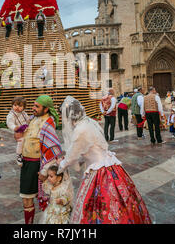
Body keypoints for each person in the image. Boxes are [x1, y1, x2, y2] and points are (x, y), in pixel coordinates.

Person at [58, 96, 152, 224]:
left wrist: (60, 165)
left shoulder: (80, 130)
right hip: (111, 165)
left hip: (99, 171)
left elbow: (72, 156)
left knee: (101, 205)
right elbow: (88, 148)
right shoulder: (89, 122)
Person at [19, 95, 62, 224]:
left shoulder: (48, 123)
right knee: (26, 199)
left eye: (37, 106)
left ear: (46, 108)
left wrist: (44, 171)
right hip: (26, 164)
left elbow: (52, 149)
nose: (33, 108)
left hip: (37, 165)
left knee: (45, 199)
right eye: (33, 105)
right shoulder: (33, 119)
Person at [6, 96, 31, 167]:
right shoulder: (11, 114)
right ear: (12, 105)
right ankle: (19, 155)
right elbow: (9, 123)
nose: (17, 107)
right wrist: (14, 127)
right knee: (21, 141)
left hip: (26, 129)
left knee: (28, 141)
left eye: (20, 106)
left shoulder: (24, 113)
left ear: (24, 107)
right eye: (15, 105)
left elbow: (27, 119)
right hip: (19, 130)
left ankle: (26, 153)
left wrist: (29, 122)